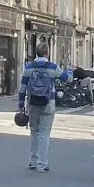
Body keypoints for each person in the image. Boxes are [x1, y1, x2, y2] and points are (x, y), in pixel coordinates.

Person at [16, 44, 69, 172]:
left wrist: (21, 105)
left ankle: (33, 161)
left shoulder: (28, 67)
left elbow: (22, 88)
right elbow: (68, 78)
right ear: (47, 53)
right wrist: (70, 70)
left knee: (34, 131)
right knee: (44, 133)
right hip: (48, 103)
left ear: (36, 53)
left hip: (32, 103)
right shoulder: (52, 67)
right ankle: (42, 163)